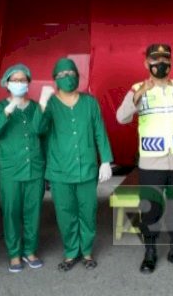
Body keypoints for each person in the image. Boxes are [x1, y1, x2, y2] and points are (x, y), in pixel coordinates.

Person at [116, 44, 173, 274]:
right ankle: (150, 253)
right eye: (155, 60)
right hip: (151, 163)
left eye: (165, 60)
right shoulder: (137, 89)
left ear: (171, 63)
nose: (160, 64)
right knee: (150, 209)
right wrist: (139, 93)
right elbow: (121, 117)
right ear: (146, 63)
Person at [38, 57, 113, 272]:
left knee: (87, 211)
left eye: (71, 73)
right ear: (55, 79)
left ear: (78, 76)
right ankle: (71, 251)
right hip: (59, 171)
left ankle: (87, 251)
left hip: (87, 168)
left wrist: (105, 160)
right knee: (65, 213)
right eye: (62, 75)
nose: (67, 78)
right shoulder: (50, 105)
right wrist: (41, 104)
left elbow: (99, 130)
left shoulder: (89, 103)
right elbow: (38, 129)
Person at [0, 64, 45, 272]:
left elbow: (42, 131)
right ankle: (14, 253)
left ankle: (30, 250)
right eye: (15, 80)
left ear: (28, 83)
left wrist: (43, 107)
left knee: (33, 211)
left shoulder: (35, 106)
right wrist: (8, 110)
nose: (19, 83)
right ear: (7, 83)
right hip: (10, 170)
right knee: (11, 211)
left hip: (34, 167)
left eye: (23, 80)